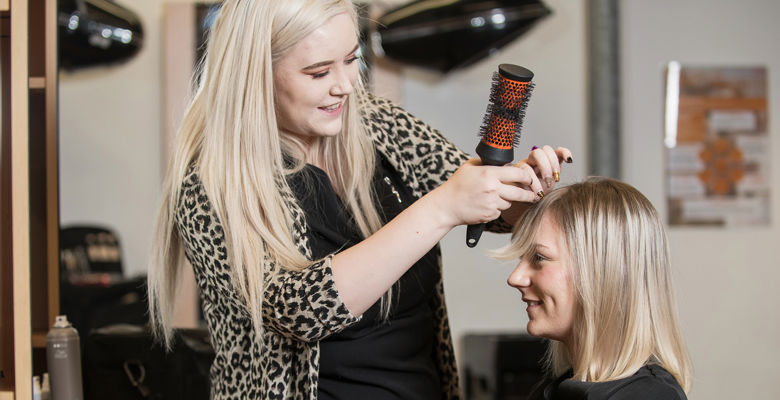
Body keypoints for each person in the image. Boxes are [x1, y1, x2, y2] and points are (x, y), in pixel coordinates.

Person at [147, 0, 573, 399]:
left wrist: (522, 191)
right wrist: (443, 207)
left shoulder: (377, 123)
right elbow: (298, 312)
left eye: (352, 59)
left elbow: (481, 199)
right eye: (318, 72)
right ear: (254, 74)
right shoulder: (210, 183)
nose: (346, 86)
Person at [498, 177, 692, 399]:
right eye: (523, 258)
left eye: (539, 257)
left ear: (601, 271)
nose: (515, 278)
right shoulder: (555, 390)